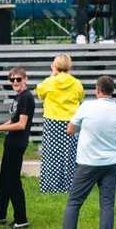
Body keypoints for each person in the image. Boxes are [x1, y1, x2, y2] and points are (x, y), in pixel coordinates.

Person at [58, 75, 116, 229]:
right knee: (107, 205)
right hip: (111, 162)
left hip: (87, 162)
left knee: (74, 202)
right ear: (112, 91)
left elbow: (70, 129)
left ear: (97, 90)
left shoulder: (87, 107)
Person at [0, 66, 35, 229]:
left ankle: (21, 219)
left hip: (17, 144)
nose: (15, 82)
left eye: (18, 79)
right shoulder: (18, 97)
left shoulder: (26, 97)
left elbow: (21, 124)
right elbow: (13, 120)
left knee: (13, 181)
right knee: (4, 180)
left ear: (25, 79)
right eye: (12, 79)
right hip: (11, 142)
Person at [38, 54, 84, 196]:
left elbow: (40, 92)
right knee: (70, 153)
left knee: (51, 153)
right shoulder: (76, 83)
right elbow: (80, 96)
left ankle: (51, 184)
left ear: (55, 66)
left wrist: (52, 75)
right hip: (71, 121)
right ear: (69, 67)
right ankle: (69, 184)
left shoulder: (50, 82)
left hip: (52, 121)